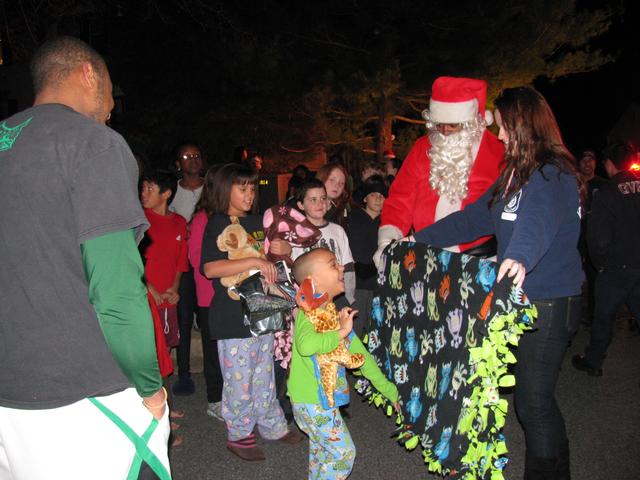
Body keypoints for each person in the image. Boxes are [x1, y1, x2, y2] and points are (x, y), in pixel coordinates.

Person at [0, 36, 170, 479]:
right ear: (88, 74)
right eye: (111, 90)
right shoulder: (93, 143)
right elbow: (115, 290)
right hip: (82, 392)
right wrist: (149, 387)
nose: (112, 106)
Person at [408, 86, 583, 480]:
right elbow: (473, 219)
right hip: (521, 300)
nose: (500, 136)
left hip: (550, 302)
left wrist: (519, 256)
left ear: (523, 125)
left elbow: (536, 222)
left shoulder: (551, 173)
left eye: (504, 127)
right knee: (537, 400)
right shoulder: (513, 177)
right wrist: (417, 238)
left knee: (532, 403)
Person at [200, 163, 301, 461]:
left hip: (262, 312)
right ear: (223, 189)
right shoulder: (218, 222)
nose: (249, 194)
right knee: (239, 379)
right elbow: (210, 268)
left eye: (252, 188)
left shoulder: (258, 220)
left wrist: (279, 252)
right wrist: (254, 263)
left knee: (264, 374)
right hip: (232, 316)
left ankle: (271, 424)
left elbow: (270, 260)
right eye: (242, 188)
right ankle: (240, 433)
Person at [288, 248, 399, 479]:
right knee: (343, 454)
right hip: (310, 401)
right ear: (314, 280)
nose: (342, 267)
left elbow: (362, 358)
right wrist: (341, 332)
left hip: (320, 401)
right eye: (332, 264)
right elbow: (306, 346)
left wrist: (389, 391)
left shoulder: (333, 314)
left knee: (323, 451)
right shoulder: (306, 315)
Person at [375, 76, 504, 266]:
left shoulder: (497, 152)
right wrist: (387, 241)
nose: (443, 131)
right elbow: (401, 198)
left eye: (452, 124)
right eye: (439, 124)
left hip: (479, 261)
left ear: (470, 122)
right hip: (426, 257)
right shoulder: (422, 148)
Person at [573, 143, 640, 377]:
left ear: (609, 164)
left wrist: (600, 264)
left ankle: (593, 361)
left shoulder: (607, 192)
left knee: (603, 317)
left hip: (615, 267)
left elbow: (598, 237)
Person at [188, 167, 225, 419]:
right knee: (213, 351)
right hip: (210, 294)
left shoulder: (230, 217)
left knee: (230, 351)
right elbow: (195, 259)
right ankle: (215, 399)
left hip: (230, 294)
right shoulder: (203, 218)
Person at [169, 142, 205, 396]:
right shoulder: (171, 192)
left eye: (196, 156)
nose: (192, 160)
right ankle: (183, 374)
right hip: (181, 265)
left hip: (207, 263)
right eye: (186, 156)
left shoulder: (211, 188)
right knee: (182, 319)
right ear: (178, 163)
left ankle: (219, 372)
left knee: (207, 318)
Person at [291, 178, 356, 306]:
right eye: (313, 200)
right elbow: (293, 271)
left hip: (337, 297)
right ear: (301, 205)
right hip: (309, 301)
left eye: (323, 198)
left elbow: (348, 266)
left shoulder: (337, 230)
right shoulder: (294, 233)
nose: (320, 203)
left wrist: (349, 296)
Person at [346, 175, 388, 336]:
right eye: (373, 195)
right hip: (358, 282)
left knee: (378, 327)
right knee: (355, 326)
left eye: (382, 195)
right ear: (364, 198)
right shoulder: (353, 218)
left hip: (380, 282)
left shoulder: (388, 221)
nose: (378, 198)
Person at [316, 162, 350, 227]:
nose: (337, 185)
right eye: (332, 180)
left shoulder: (341, 211)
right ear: (321, 178)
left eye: (342, 183)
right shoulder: (305, 206)